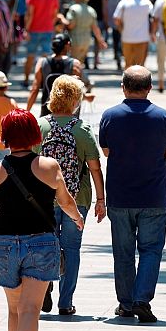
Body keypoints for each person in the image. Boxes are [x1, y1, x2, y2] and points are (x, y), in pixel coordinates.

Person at [0, 108, 84, 331]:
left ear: (6, 137)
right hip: (41, 243)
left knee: (14, 309)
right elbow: (65, 201)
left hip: (5, 244)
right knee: (30, 310)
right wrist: (76, 218)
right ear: (34, 135)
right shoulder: (48, 166)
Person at [98, 65, 166, 323]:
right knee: (151, 250)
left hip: (120, 196)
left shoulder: (110, 116)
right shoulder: (163, 116)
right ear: (149, 88)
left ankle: (125, 303)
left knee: (122, 252)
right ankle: (142, 299)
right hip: (154, 196)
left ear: (123, 87)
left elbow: (107, 152)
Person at [35, 75, 105, 316]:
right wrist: (100, 200)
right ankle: (66, 302)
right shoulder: (81, 129)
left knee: (46, 245)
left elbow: (29, 163)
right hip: (77, 198)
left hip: (44, 199)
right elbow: (95, 167)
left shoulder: (41, 126)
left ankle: (45, 288)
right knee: (72, 248)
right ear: (76, 100)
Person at [27, 33, 84, 117]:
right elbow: (78, 91)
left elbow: (34, 89)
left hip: (47, 111)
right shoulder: (75, 64)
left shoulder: (42, 63)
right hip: (69, 114)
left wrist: (26, 112)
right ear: (68, 45)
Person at [24, 0, 59, 87]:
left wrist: (26, 29)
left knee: (30, 55)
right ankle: (46, 81)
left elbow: (30, 14)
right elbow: (55, 14)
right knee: (47, 58)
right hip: (48, 30)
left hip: (34, 30)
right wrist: (51, 25)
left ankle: (26, 80)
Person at [61, 0, 107, 68]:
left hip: (75, 39)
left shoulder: (73, 9)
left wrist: (62, 19)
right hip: (86, 41)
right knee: (80, 63)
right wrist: (101, 41)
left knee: (73, 64)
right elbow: (95, 28)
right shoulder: (91, 10)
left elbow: (71, 25)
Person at [113, 0, 154, 69]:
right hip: (142, 38)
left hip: (127, 38)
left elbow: (116, 19)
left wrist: (122, 30)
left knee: (128, 64)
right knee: (140, 66)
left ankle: (127, 81)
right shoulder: (147, 3)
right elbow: (153, 18)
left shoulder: (123, 3)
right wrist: (152, 33)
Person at [106, 0, 129, 71]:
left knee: (116, 41)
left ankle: (118, 59)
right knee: (125, 41)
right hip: (127, 22)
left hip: (116, 21)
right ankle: (125, 59)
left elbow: (109, 5)